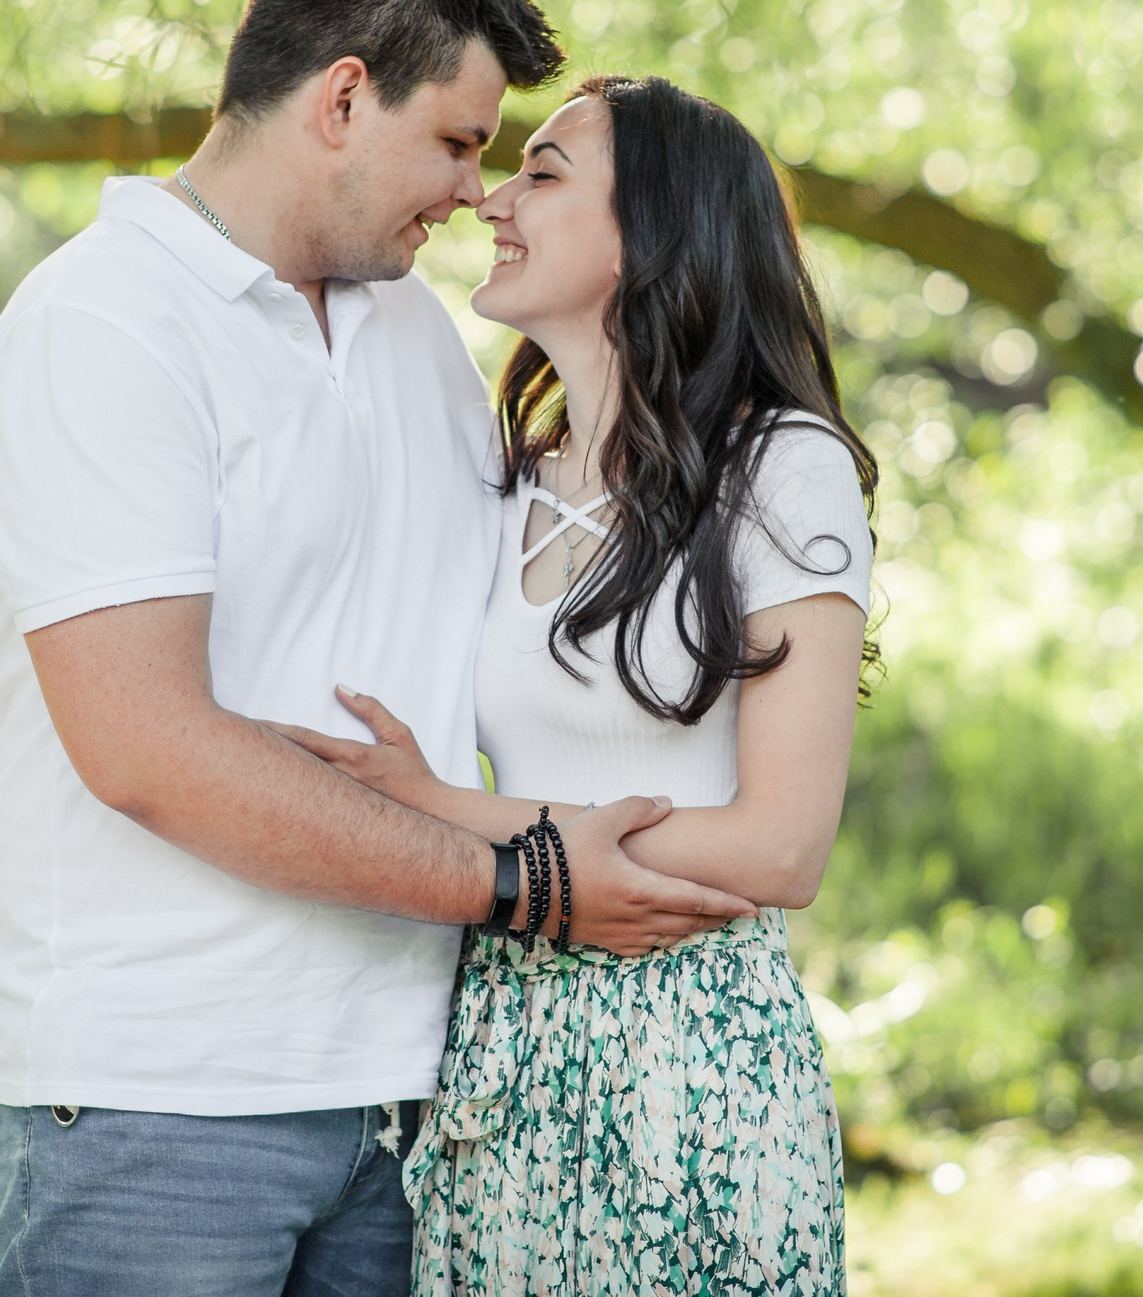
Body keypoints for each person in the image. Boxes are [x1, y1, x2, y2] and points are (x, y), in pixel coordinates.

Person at [0, 0, 755, 1297]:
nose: (472, 191)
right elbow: (146, 749)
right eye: (453, 141)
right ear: (340, 98)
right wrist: (529, 887)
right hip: (160, 1102)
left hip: (410, 1106)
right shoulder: (102, 328)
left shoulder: (415, 339)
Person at [276, 76, 877, 1293]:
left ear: (652, 235)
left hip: (692, 1051)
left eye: (541, 174)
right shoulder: (502, 484)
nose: (491, 198)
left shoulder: (782, 471)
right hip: (499, 1039)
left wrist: (442, 810)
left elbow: (779, 851)